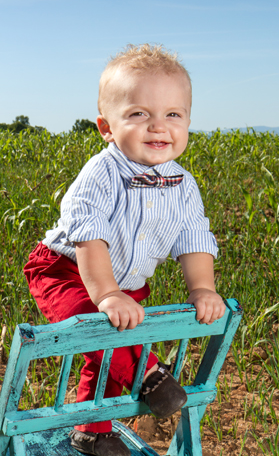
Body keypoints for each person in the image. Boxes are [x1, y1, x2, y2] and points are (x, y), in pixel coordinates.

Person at [23, 44, 226, 456]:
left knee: (108, 351)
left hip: (126, 282)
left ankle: (91, 431)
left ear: (188, 122)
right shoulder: (100, 173)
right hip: (67, 271)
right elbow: (89, 237)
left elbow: (194, 238)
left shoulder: (184, 186)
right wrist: (108, 294)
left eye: (173, 114)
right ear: (106, 127)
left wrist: (203, 287)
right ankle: (148, 374)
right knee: (94, 327)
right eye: (138, 114)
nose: (158, 126)